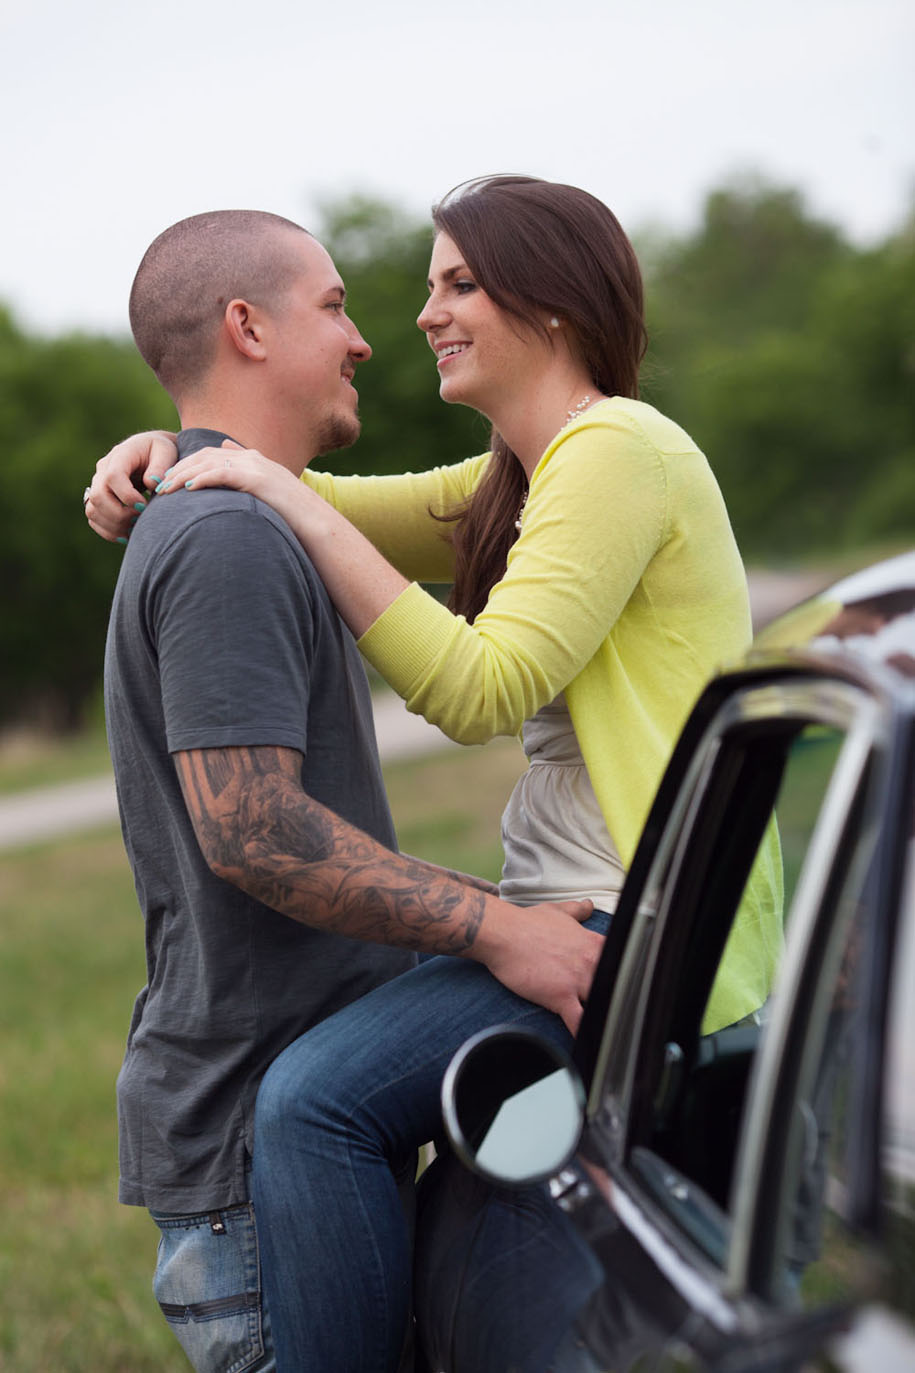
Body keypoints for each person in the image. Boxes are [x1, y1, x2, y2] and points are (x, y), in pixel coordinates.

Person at [88, 176, 783, 1371]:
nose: (418, 316)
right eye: (418, 288)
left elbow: (478, 687)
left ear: (550, 302)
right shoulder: (519, 478)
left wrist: (260, 484)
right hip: (590, 910)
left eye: (457, 282)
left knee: (313, 1103)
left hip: (647, 923)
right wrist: (182, 449)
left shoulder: (617, 446)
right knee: (486, 1326)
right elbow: (315, 494)